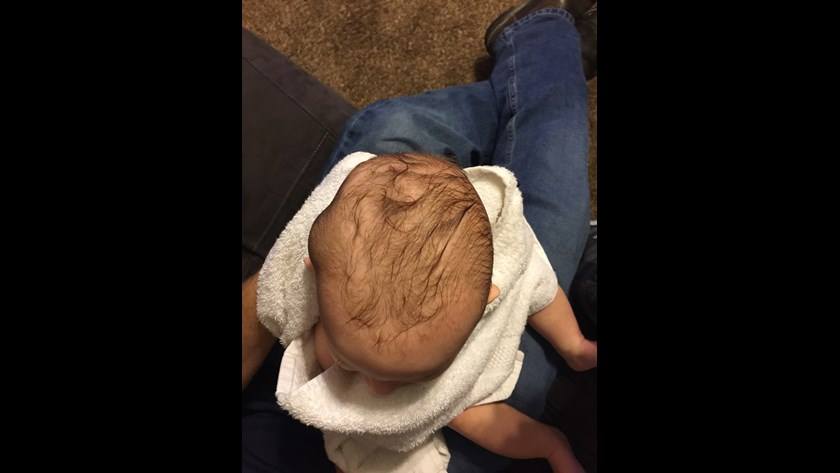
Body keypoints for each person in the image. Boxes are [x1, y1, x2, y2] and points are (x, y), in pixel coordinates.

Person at [243, 1, 597, 471]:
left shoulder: (502, 276)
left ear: (489, 300)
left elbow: (538, 288)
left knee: (393, 132)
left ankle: (537, 61)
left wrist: (573, 345)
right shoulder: (320, 300)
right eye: (349, 361)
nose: (378, 391)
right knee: (548, 166)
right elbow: (490, 425)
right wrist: (551, 446)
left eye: (412, 378)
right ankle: (542, 44)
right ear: (313, 272)